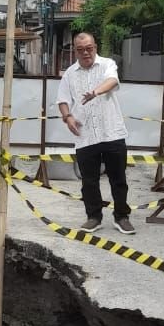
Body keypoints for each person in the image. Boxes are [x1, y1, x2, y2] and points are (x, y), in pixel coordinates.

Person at [57, 31, 135, 235]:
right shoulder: (69, 74)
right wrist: (68, 117)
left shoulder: (107, 64)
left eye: (89, 48)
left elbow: (113, 81)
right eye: (81, 49)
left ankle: (121, 216)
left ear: (95, 47)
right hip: (85, 134)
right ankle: (94, 217)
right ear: (75, 51)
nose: (86, 53)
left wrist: (95, 92)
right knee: (89, 180)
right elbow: (62, 100)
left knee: (118, 178)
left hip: (112, 132)